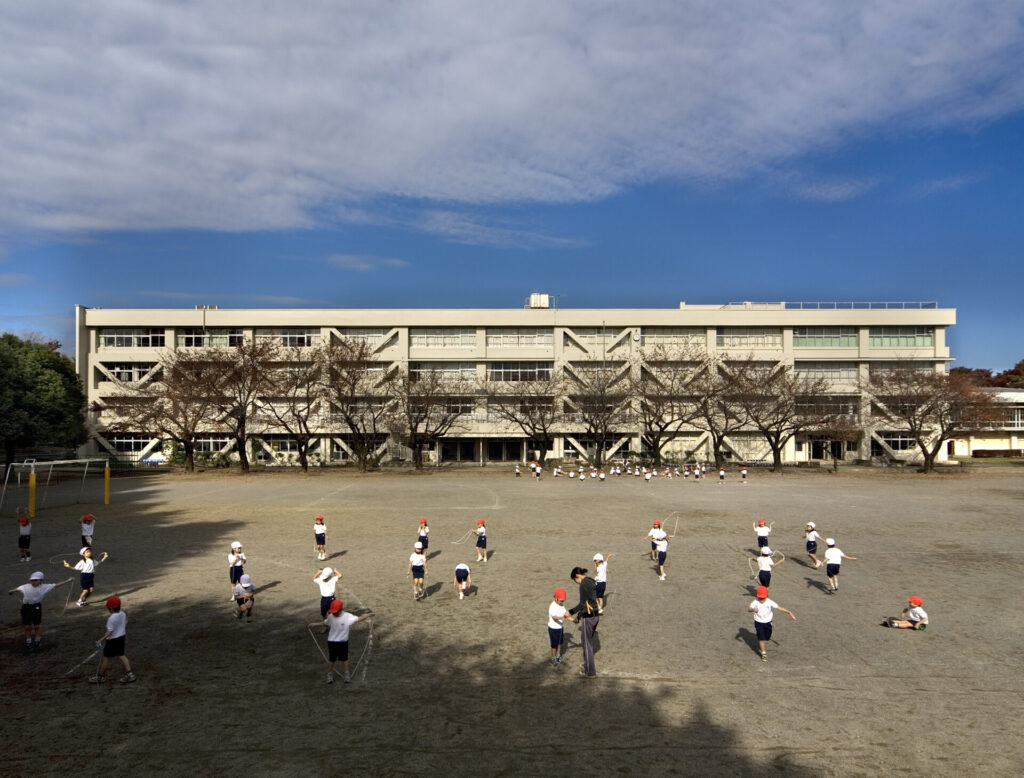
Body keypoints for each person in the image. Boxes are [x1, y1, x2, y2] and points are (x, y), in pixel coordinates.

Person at [8, 571, 73, 652]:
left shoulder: (45, 587)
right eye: (32, 580)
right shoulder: (25, 586)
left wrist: (68, 580)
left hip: (36, 607)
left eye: (35, 580)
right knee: (27, 626)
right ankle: (29, 641)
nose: (33, 582)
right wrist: (11, 591)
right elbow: (16, 589)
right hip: (26, 608)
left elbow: (56, 585)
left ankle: (37, 641)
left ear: (41, 581)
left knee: (36, 625)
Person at [312, 599, 372, 684]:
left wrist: (368, 615)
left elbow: (359, 619)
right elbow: (325, 623)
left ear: (340, 610)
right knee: (332, 659)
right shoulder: (331, 616)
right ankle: (330, 675)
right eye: (333, 612)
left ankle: (346, 674)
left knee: (344, 658)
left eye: (335, 612)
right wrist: (314, 624)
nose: (334, 614)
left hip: (343, 642)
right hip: (332, 641)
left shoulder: (347, 616)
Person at [91, 596, 136, 683]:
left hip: (112, 640)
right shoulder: (123, 614)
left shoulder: (111, 619)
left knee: (106, 658)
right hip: (121, 637)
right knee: (122, 656)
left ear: (111, 608)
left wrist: (101, 639)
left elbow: (109, 632)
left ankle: (100, 677)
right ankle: (130, 674)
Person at [749, 585, 797, 662]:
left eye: (763, 597)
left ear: (766, 596)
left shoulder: (769, 602)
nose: (761, 599)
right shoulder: (755, 602)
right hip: (758, 622)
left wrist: (788, 612)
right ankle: (763, 653)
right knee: (761, 638)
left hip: (768, 622)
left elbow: (779, 607)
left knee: (767, 637)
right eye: (760, 597)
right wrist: (753, 610)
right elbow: (749, 609)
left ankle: (768, 632)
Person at [568, 567, 599, 678]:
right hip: (595, 616)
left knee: (587, 644)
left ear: (577, 577)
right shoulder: (590, 580)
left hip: (589, 618)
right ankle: (587, 665)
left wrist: (570, 612)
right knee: (585, 641)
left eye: (574, 580)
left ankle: (590, 672)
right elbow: (588, 603)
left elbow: (582, 604)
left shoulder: (583, 584)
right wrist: (578, 617)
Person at [548, 588, 569, 666]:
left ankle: (558, 656)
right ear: (556, 598)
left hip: (560, 628)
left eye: (563, 601)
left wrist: (573, 620)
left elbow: (566, 614)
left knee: (559, 643)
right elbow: (554, 617)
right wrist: (561, 618)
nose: (562, 602)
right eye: (561, 600)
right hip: (553, 628)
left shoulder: (562, 605)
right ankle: (553, 658)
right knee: (554, 645)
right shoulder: (552, 606)